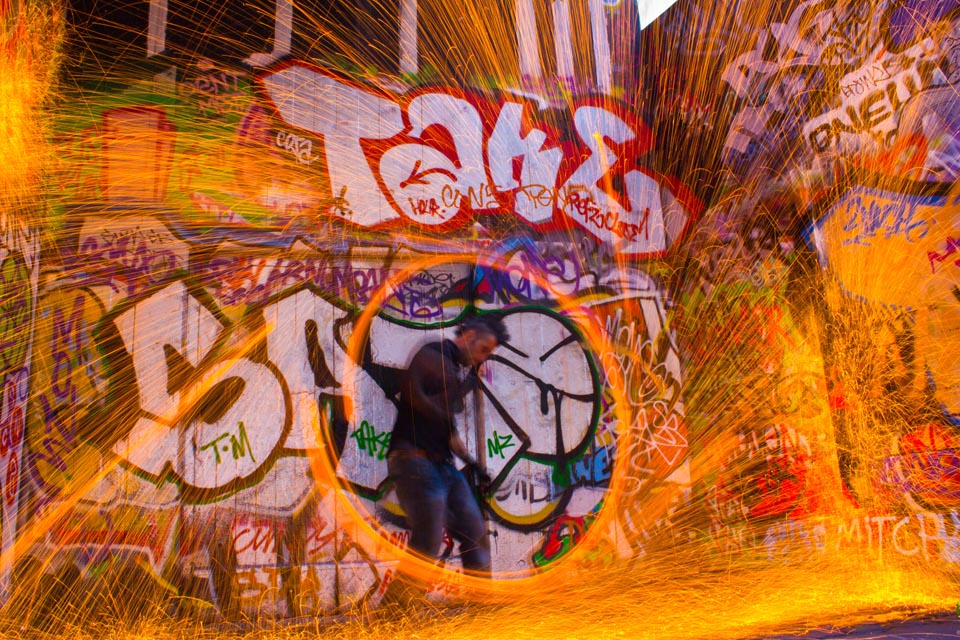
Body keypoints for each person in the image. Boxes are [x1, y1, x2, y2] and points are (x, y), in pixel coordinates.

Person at [380, 314, 510, 607]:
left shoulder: (454, 371)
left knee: (474, 532)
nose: (483, 358)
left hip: (444, 467)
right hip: (414, 462)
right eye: (483, 350)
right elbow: (414, 395)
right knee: (427, 540)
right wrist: (453, 400)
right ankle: (392, 614)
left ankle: (481, 608)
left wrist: (472, 463)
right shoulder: (433, 354)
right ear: (467, 337)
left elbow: (449, 431)